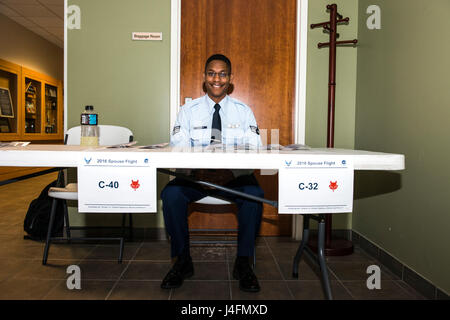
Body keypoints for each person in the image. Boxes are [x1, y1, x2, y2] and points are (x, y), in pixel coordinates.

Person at [160, 54, 264, 292]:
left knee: (254, 194)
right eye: (211, 73)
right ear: (204, 77)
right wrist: (201, 172)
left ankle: (243, 263)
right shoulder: (188, 111)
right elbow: (178, 145)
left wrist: (229, 171)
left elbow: (254, 146)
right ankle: (183, 261)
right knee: (171, 195)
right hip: (195, 177)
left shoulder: (243, 111)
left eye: (222, 73)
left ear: (230, 79)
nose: (217, 78)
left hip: (234, 178)